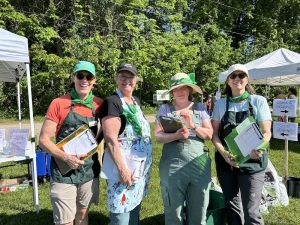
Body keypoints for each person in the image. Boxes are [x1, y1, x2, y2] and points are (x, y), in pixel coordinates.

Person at [39, 61, 103, 225]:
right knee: (65, 221)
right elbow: (44, 140)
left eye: (88, 76)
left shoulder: (100, 105)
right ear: (73, 77)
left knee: (82, 214)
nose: (84, 80)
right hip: (63, 171)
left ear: (94, 80)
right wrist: (66, 157)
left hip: (88, 169)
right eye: (80, 76)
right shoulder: (59, 103)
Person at [211, 64, 272, 225]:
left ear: (247, 80)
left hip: (253, 163)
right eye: (233, 76)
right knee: (232, 207)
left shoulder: (258, 101)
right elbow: (214, 134)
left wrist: (259, 148)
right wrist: (224, 154)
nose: (237, 79)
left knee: (251, 211)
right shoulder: (220, 104)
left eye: (241, 75)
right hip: (227, 163)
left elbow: (267, 132)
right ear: (228, 81)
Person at [154, 72, 213, 225]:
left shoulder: (200, 108)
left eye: (183, 88)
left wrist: (193, 125)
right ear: (172, 92)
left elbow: (209, 134)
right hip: (172, 164)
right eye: (176, 89)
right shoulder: (165, 109)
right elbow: (158, 136)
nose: (179, 92)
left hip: (198, 165)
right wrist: (176, 135)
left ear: (189, 90)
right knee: (174, 211)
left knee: (199, 209)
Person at [99, 63, 152, 225]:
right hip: (122, 169)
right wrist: (123, 170)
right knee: (120, 214)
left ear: (136, 80)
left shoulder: (135, 101)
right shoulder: (112, 102)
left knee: (134, 210)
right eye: (122, 76)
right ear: (116, 78)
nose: (126, 80)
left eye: (130, 77)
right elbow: (111, 140)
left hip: (138, 169)